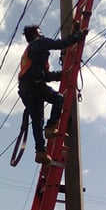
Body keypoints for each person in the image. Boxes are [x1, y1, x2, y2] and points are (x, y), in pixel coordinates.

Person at [18, 24, 84, 165]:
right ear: (36, 34)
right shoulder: (39, 43)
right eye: (40, 32)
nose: (42, 34)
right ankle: (51, 127)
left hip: (26, 90)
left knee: (37, 121)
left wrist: (61, 75)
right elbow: (60, 44)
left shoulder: (30, 52)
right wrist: (78, 36)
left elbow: (47, 76)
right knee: (58, 99)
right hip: (34, 85)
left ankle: (40, 152)